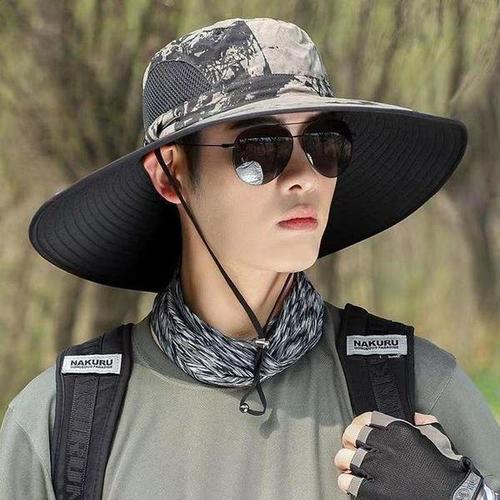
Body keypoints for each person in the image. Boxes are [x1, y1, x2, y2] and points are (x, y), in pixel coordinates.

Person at [0, 16, 499, 500]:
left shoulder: (417, 389)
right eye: (260, 149)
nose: (303, 177)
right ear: (170, 174)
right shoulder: (62, 425)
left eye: (324, 144)